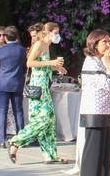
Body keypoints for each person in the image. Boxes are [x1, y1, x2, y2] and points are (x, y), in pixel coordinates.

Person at [9, 23, 68, 164]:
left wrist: (57, 68)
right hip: (38, 87)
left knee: (49, 120)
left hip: (44, 87)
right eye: (55, 32)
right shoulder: (39, 44)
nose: (57, 35)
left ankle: (50, 155)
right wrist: (52, 62)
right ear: (48, 32)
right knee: (43, 119)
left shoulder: (47, 46)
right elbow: (30, 63)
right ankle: (16, 141)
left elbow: (44, 65)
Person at [78, 29, 110, 176]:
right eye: (104, 42)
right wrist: (109, 68)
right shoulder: (92, 62)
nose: (108, 46)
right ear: (94, 44)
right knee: (93, 154)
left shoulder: (99, 62)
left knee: (105, 149)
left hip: (104, 112)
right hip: (94, 112)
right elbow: (106, 85)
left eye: (109, 42)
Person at [0, 26, 26, 148]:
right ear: (16, 37)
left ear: (5, 38)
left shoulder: (0, 51)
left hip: (3, 83)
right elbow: (24, 67)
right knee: (18, 111)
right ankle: (21, 138)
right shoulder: (22, 50)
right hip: (17, 83)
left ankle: (2, 139)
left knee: (2, 111)